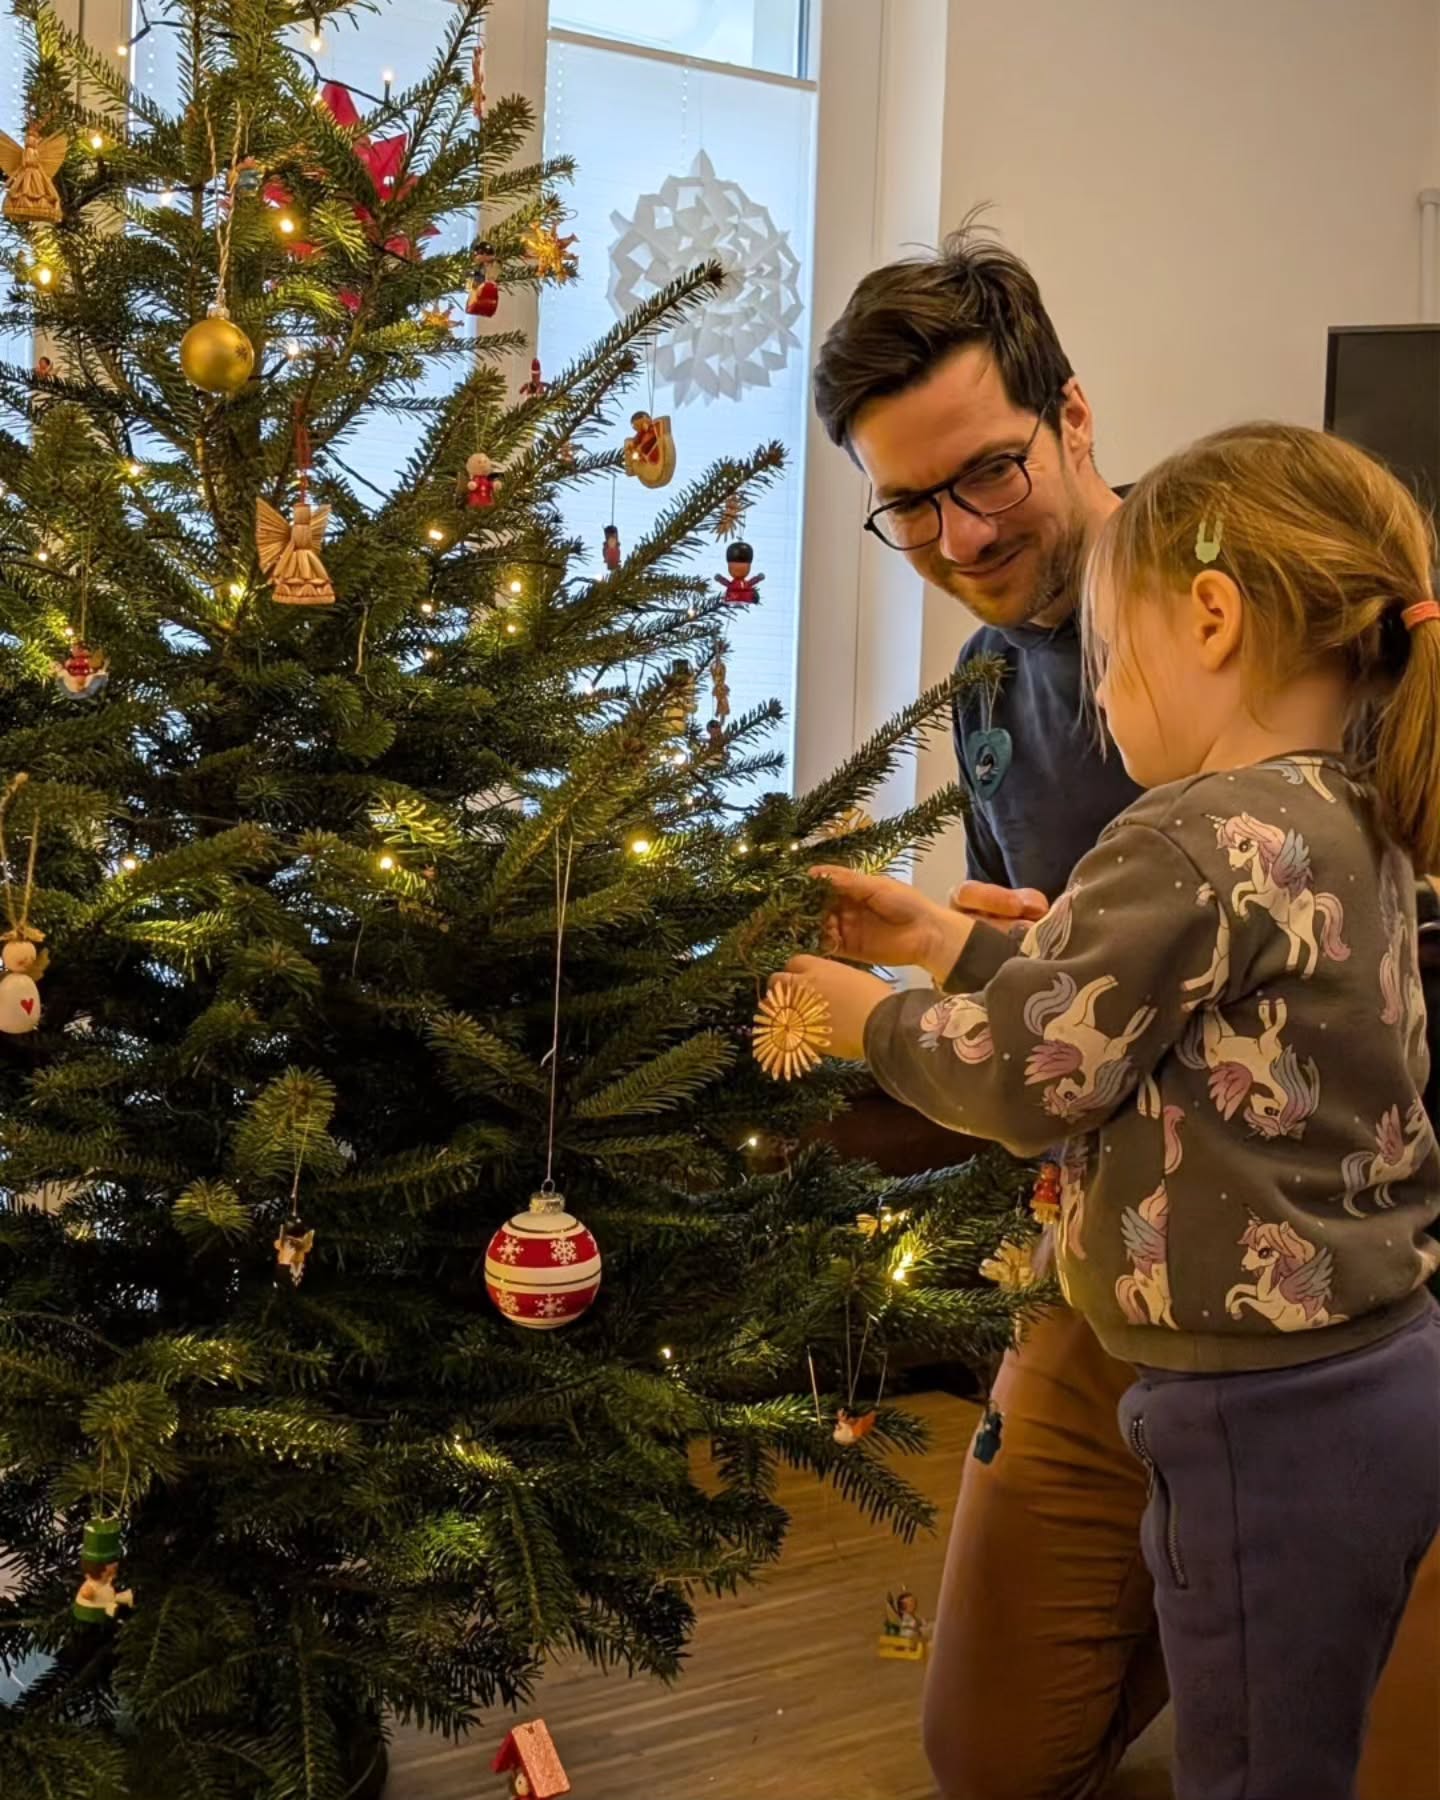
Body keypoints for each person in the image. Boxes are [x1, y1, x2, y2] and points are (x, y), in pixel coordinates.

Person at [811, 233, 1440, 1800]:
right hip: (1133, 1265)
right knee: (991, 1752)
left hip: (1313, 1303)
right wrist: (961, 945)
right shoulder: (981, 698)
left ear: (1073, 421)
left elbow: (1072, 1047)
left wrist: (860, 1018)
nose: (957, 533)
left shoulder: (1293, 660)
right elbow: (1071, 1006)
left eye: (989, 476)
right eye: (908, 507)